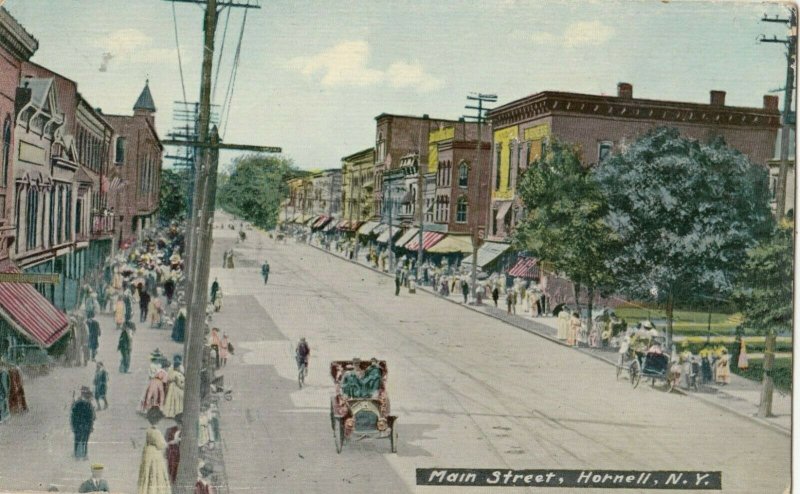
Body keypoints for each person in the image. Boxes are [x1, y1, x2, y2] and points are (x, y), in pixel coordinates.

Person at [137, 407, 171, 494]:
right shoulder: (156, 432)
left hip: (148, 453)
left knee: (148, 471)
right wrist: (171, 442)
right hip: (155, 454)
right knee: (156, 472)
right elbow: (161, 445)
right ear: (158, 420)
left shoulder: (149, 430)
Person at [71, 387, 96, 459]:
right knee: (85, 440)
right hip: (86, 426)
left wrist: (73, 425)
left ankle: (76, 454)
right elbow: (92, 417)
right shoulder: (89, 405)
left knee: (77, 439)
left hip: (78, 425)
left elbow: (73, 416)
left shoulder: (77, 404)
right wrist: (91, 426)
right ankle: (84, 454)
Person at [165, 413, 182, 485]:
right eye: (179, 423)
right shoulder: (170, 430)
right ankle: (172, 481)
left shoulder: (186, 431)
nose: (180, 426)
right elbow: (166, 442)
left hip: (179, 452)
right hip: (173, 452)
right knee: (172, 467)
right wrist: (174, 442)